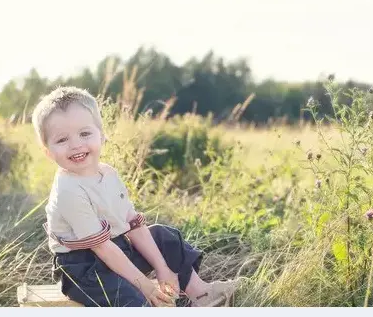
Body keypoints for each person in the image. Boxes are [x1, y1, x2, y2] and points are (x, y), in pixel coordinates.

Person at [31, 86, 242, 307]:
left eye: (85, 133)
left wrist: (162, 268)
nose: (76, 145)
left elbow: (132, 224)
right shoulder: (69, 191)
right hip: (83, 271)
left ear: (102, 136)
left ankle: (201, 295)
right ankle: (159, 303)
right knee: (133, 297)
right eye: (62, 139)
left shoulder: (108, 173)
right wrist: (146, 286)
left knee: (163, 236)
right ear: (48, 151)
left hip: (116, 248)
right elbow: (102, 248)